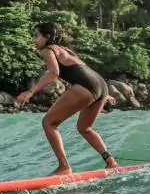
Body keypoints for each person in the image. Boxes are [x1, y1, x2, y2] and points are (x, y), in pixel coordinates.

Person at [15, 22, 119, 176]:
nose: (34, 39)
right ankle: (110, 162)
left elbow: (54, 73)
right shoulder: (66, 50)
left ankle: (64, 167)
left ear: (47, 37)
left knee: (48, 123)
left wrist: (31, 91)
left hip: (86, 86)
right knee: (85, 128)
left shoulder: (48, 49)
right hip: (100, 85)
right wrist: (104, 93)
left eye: (36, 36)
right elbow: (84, 69)